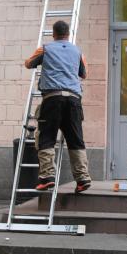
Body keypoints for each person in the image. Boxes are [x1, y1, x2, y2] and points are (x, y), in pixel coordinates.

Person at [24, 20, 91, 193]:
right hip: (74, 100)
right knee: (76, 138)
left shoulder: (45, 49)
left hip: (52, 99)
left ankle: (47, 177)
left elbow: (28, 63)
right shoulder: (78, 51)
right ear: (68, 34)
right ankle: (82, 179)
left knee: (46, 136)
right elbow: (84, 74)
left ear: (54, 34)